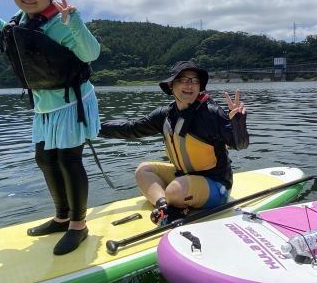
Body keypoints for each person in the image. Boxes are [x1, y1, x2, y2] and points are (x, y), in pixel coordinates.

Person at [0, 0, 100, 255]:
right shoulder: (21, 20)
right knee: (45, 159)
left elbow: (91, 53)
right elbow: (9, 37)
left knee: (68, 160)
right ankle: (62, 217)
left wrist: (75, 21)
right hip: (43, 104)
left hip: (71, 102)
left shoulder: (62, 22)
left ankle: (78, 225)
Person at [98, 61, 248, 225]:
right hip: (184, 178)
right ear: (171, 85)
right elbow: (132, 128)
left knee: (175, 190)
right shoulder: (165, 115)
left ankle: (174, 203)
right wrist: (93, 128)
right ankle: (164, 206)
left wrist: (238, 124)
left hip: (216, 186)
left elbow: (240, 144)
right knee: (143, 170)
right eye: (183, 80)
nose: (190, 85)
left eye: (195, 80)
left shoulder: (211, 113)